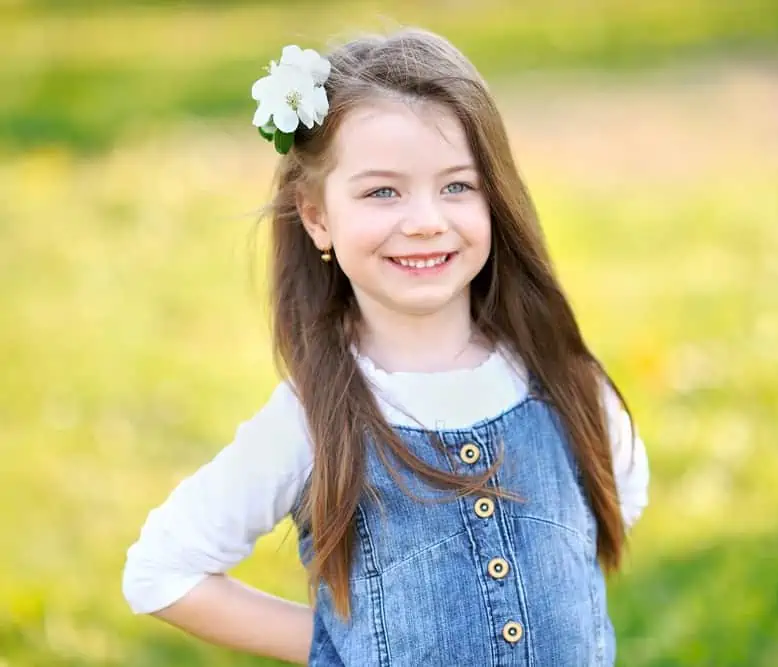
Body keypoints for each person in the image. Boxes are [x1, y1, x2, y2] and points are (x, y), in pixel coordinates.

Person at [122, 26, 650, 666]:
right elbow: (161, 572)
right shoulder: (311, 420)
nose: (426, 219)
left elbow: (618, 499)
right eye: (382, 191)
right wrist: (340, 644)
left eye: (457, 185)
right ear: (317, 216)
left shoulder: (564, 383)